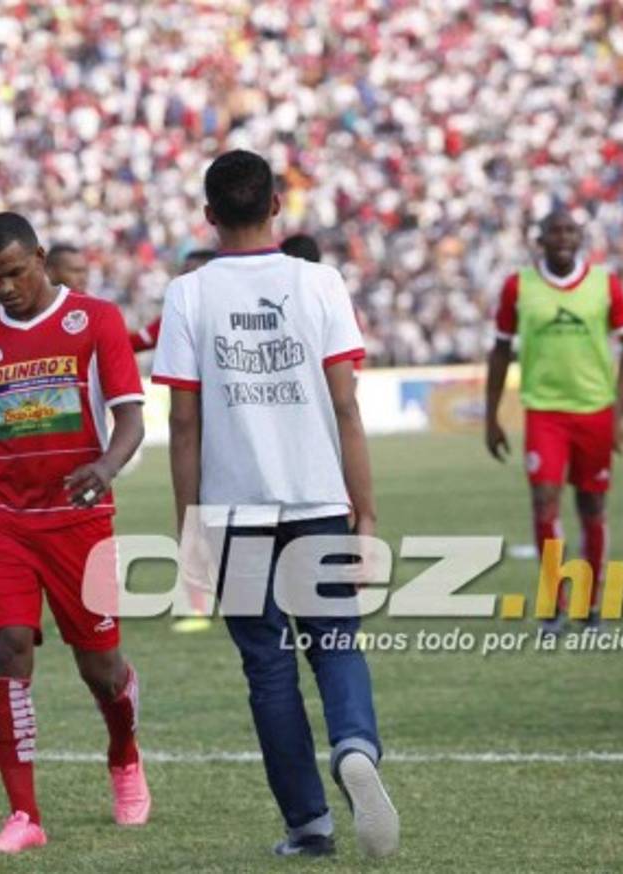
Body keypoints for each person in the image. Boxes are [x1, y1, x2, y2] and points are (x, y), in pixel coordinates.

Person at [152, 149, 399, 859]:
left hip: (234, 516)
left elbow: (186, 423)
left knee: (267, 668)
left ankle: (309, 824)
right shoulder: (318, 282)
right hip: (319, 498)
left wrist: (188, 525)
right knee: (337, 645)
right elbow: (347, 405)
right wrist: (367, 511)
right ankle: (354, 744)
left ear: (207, 216)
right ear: (276, 209)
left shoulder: (189, 294)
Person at [0, 212, 149, 854]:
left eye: (14, 272)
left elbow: (130, 420)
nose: (6, 287)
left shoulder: (94, 322)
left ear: (38, 256)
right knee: (9, 650)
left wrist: (105, 466)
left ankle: (123, 750)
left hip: (79, 521)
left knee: (100, 669)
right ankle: (24, 815)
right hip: (5, 523)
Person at [484, 209, 623, 630]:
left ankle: (590, 605)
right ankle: (554, 601)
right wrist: (491, 414)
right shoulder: (519, 286)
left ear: (580, 238)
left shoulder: (604, 283)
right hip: (545, 412)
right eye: (555, 231)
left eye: (570, 231)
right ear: (540, 240)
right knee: (544, 501)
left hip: (595, 410)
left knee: (592, 505)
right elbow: (500, 351)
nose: (563, 238)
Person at [128, 248, 216, 354]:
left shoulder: (227, 312)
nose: (181, 277)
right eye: (182, 272)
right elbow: (141, 340)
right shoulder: (179, 310)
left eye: (188, 272)